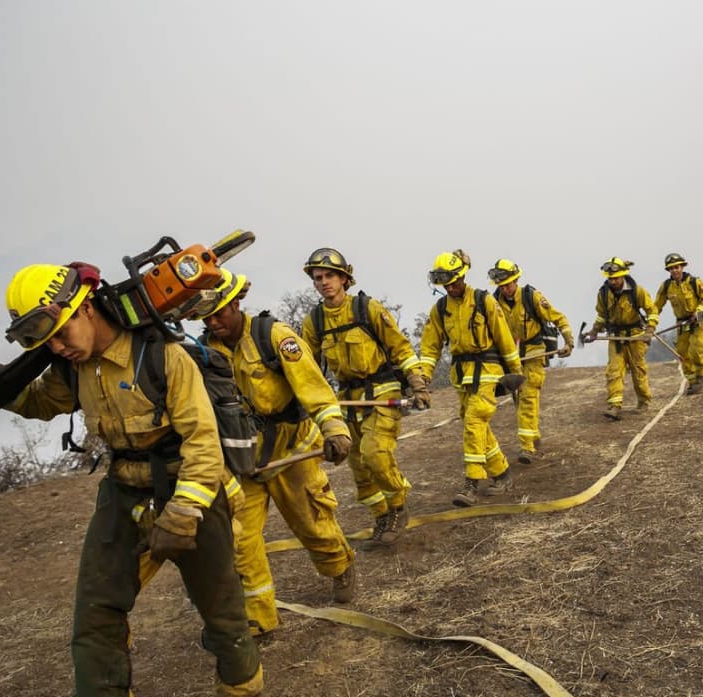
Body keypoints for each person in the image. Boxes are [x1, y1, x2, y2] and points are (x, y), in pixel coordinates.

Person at [0, 263, 263, 696]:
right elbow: (45, 402)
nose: (59, 348)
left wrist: (184, 511)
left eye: (62, 334)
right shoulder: (72, 366)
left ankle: (242, 688)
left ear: (85, 307)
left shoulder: (162, 356)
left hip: (186, 485)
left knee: (223, 611)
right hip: (123, 489)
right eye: (49, 342)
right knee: (96, 615)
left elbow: (202, 440)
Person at [194, 269, 357, 636]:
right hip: (245, 464)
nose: (213, 322)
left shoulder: (274, 337)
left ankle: (340, 566)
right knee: (240, 540)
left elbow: (314, 389)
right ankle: (259, 617)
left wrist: (334, 429)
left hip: (291, 453)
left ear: (236, 303)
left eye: (219, 312)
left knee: (313, 525)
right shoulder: (203, 354)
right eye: (205, 316)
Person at [300, 247, 431, 548]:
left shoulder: (367, 309)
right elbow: (306, 367)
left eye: (329, 275)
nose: (323, 282)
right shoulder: (314, 322)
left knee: (375, 453)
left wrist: (417, 381)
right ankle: (381, 515)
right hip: (346, 398)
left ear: (345, 278)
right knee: (358, 463)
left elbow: (401, 348)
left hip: (382, 390)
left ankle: (398, 507)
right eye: (317, 277)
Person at [419, 249, 523, 507]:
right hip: (462, 376)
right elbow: (430, 346)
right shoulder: (440, 309)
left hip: (488, 371)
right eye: (445, 284)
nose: (451, 287)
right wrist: (422, 376)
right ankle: (503, 474)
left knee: (474, 422)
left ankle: (472, 484)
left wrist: (516, 373)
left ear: (463, 276)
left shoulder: (483, 301)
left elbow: (504, 338)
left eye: (454, 282)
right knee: (478, 427)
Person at [488, 258, 574, 463]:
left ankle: (526, 447)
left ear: (516, 280)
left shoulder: (532, 297)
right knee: (517, 397)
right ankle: (532, 433)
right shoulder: (493, 302)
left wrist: (568, 340)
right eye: (502, 285)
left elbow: (558, 318)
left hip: (534, 350)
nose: (506, 289)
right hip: (510, 354)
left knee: (528, 394)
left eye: (509, 284)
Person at [580, 257, 659, 420]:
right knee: (614, 371)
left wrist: (650, 330)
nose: (613, 281)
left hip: (636, 337)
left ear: (623, 276)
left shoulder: (637, 291)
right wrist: (594, 331)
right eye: (610, 278)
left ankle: (644, 401)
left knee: (638, 371)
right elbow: (602, 316)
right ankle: (615, 406)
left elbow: (652, 311)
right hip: (615, 338)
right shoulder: (603, 294)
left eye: (616, 278)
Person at [653, 253, 703, 395]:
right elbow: (657, 305)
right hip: (682, 323)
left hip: (699, 319)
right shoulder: (666, 286)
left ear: (682, 267)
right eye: (671, 268)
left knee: (695, 349)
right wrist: (651, 319)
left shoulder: (694, 282)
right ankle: (692, 381)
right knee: (682, 352)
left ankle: (700, 376)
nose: (675, 270)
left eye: (677, 267)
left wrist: (698, 312)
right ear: (668, 270)